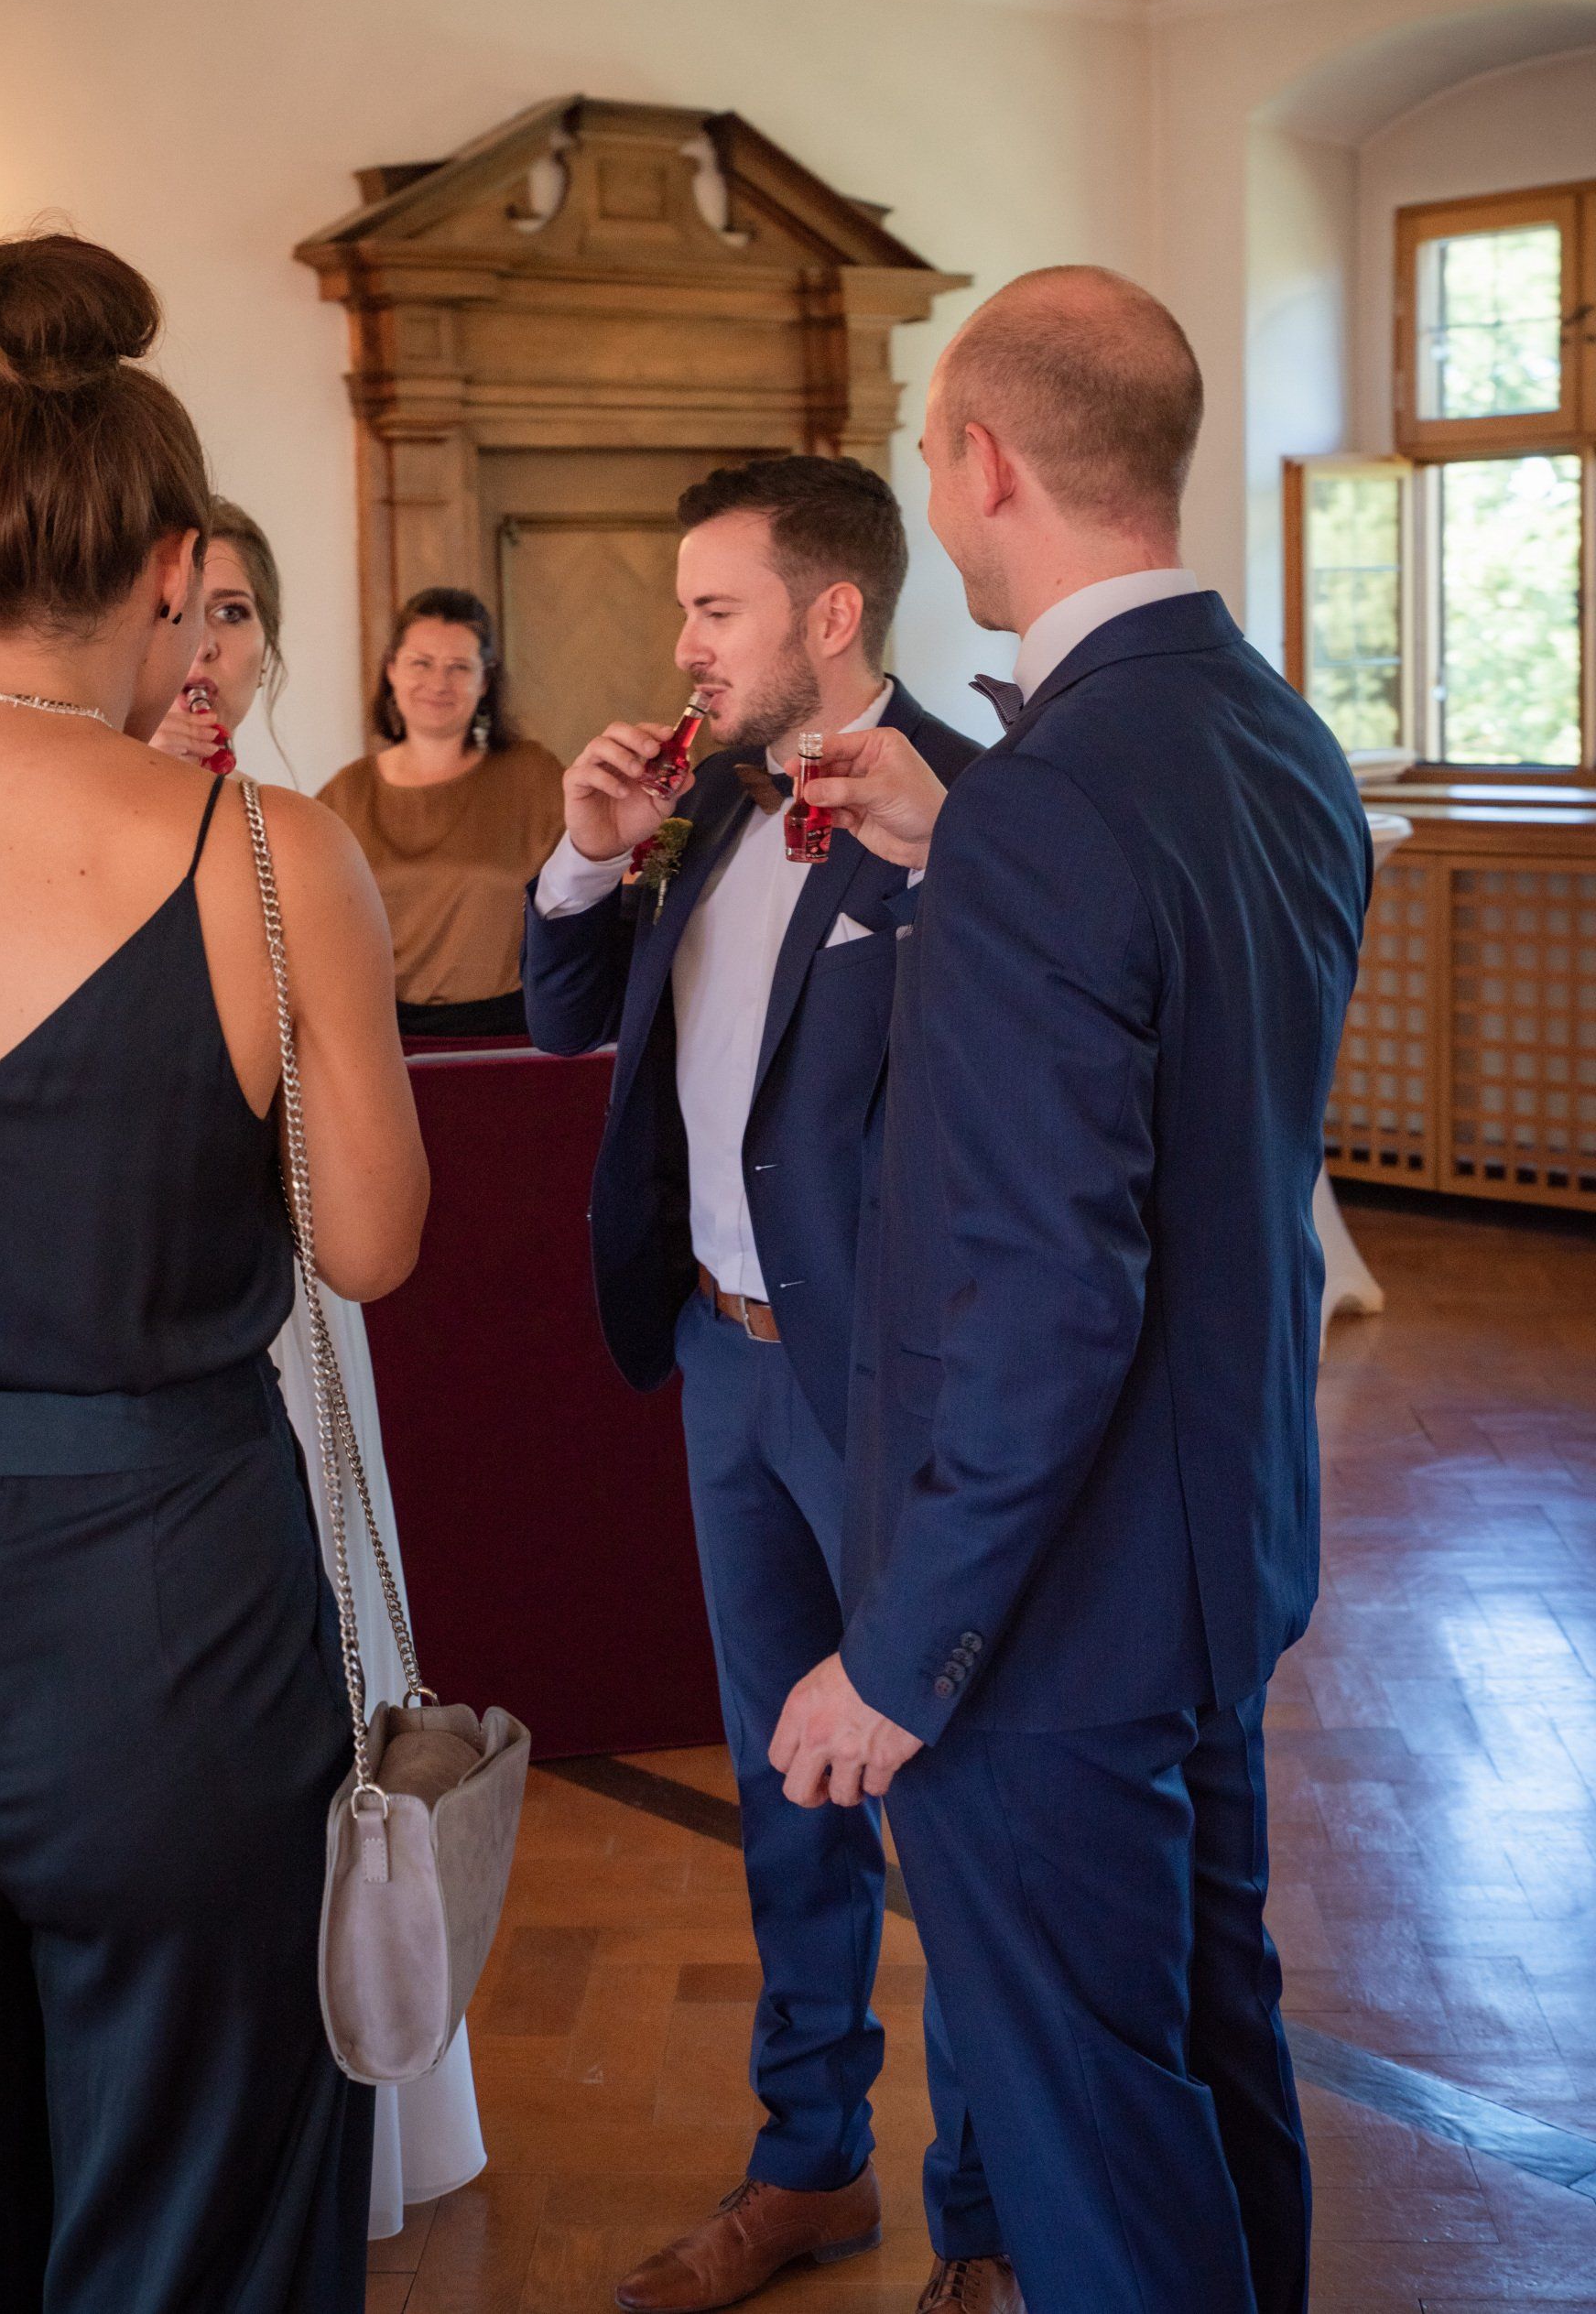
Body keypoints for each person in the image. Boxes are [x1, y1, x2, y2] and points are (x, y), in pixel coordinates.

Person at [768, 269, 1372, 2314]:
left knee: (1095, 2150)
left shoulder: (1053, 798)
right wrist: (971, 855)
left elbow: (1048, 1292)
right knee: (1206, 2058)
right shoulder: (1272, 736)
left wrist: (900, 1653)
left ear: (986, 464)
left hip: (1049, 1615)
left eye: (934, 451)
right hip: (1216, 1559)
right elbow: (1187, 1078)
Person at [0, 233, 429, 2313]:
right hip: (171, 1626)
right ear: (177, 567)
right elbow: (368, 1242)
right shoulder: (267, 850)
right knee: (202, 2214)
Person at [523, 458, 1006, 2314]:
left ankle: (987, 2214)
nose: (683, 645)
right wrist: (587, 854)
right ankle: (810, 2165)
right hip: (722, 1366)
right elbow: (565, 1017)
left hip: (890, 1390)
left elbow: (1048, 1052)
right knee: (783, 1794)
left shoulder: (980, 798)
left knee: (948, 1801)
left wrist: (947, 861)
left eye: (714, 608)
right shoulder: (703, 803)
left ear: (832, 613)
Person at [151, 497, 486, 2241]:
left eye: (236, 612)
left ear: (271, 640)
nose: (205, 647)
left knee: (337, 1658)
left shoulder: (296, 848)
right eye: (181, 611)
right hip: (137, 1334)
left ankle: (369, 2055)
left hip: (291, 1310)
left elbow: (363, 1203)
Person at [319, 589, 563, 1039]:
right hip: (378, 1034)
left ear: (484, 681)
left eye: (459, 667)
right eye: (421, 663)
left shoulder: (535, 776)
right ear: (391, 669)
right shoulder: (345, 795)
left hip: (511, 1030)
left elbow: (583, 903)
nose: (438, 683)